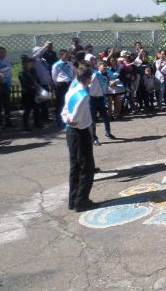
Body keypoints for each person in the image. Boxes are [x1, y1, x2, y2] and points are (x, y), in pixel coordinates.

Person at [62, 62, 97, 212]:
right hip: (80, 132)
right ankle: (82, 201)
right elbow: (76, 116)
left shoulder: (72, 90)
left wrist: (67, 119)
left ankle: (73, 199)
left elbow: (64, 110)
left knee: (75, 166)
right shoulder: (83, 95)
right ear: (88, 79)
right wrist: (72, 120)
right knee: (86, 167)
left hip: (71, 132)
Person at [89, 61, 116, 145]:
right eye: (103, 66)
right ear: (98, 67)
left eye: (106, 66)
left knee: (106, 117)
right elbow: (88, 86)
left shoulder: (106, 76)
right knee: (93, 120)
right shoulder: (94, 75)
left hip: (101, 99)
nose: (105, 67)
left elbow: (106, 87)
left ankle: (108, 132)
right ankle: (94, 138)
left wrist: (112, 85)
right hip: (92, 99)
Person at [52, 49, 77, 128]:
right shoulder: (57, 65)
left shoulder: (70, 63)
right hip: (61, 85)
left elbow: (73, 73)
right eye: (65, 55)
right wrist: (58, 84)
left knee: (68, 102)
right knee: (60, 103)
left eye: (67, 54)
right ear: (61, 55)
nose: (67, 56)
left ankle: (68, 119)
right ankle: (59, 120)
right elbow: (54, 76)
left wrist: (72, 82)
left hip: (69, 84)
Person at [19, 56, 42, 131]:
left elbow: (37, 79)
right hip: (27, 94)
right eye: (29, 62)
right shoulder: (22, 73)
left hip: (35, 93)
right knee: (27, 109)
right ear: (25, 64)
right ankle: (25, 125)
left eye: (31, 62)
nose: (31, 64)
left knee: (36, 108)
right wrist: (33, 87)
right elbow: (25, 84)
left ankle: (37, 123)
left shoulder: (33, 71)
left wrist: (37, 84)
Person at [0, 46, 14, 129]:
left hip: (7, 85)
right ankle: (0, 122)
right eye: (1, 52)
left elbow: (10, 72)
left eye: (4, 52)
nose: (2, 54)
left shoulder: (8, 61)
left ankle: (8, 121)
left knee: (7, 104)